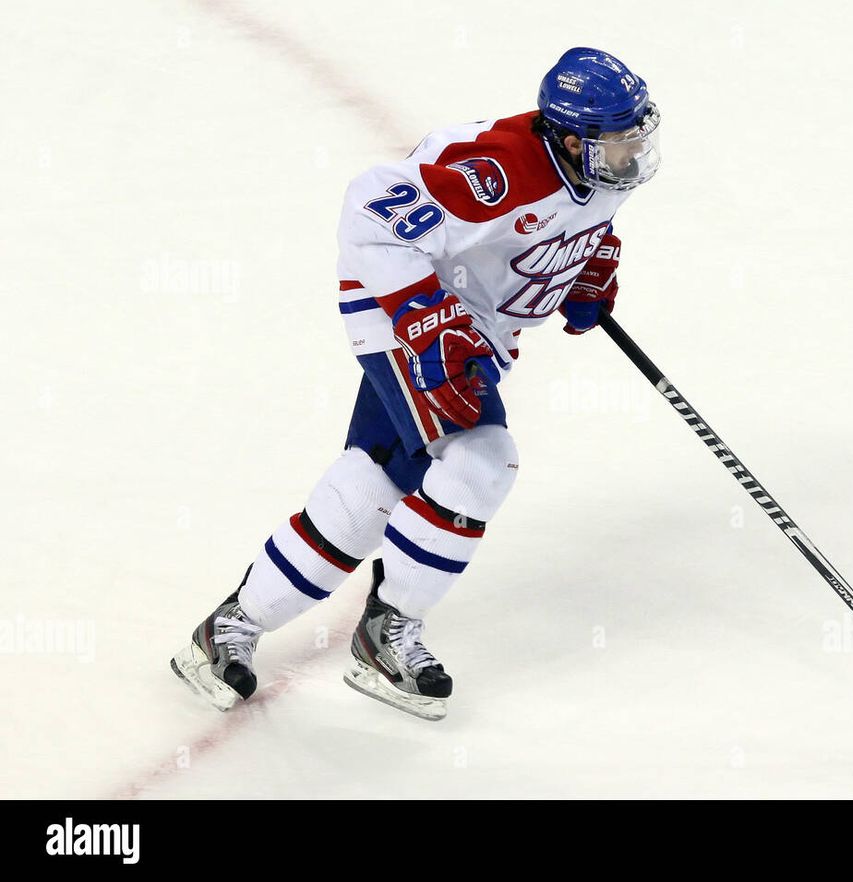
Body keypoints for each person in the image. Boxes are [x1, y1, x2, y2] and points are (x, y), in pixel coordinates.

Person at [171, 47, 661, 720]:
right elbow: (371, 212)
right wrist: (426, 321)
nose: (634, 150)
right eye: (620, 138)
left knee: (373, 483)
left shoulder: (604, 170)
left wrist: (589, 267)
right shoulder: (500, 171)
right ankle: (388, 633)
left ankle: (228, 628)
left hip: (474, 325)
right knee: (482, 462)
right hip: (410, 309)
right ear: (572, 139)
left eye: (639, 133)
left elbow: (584, 225)